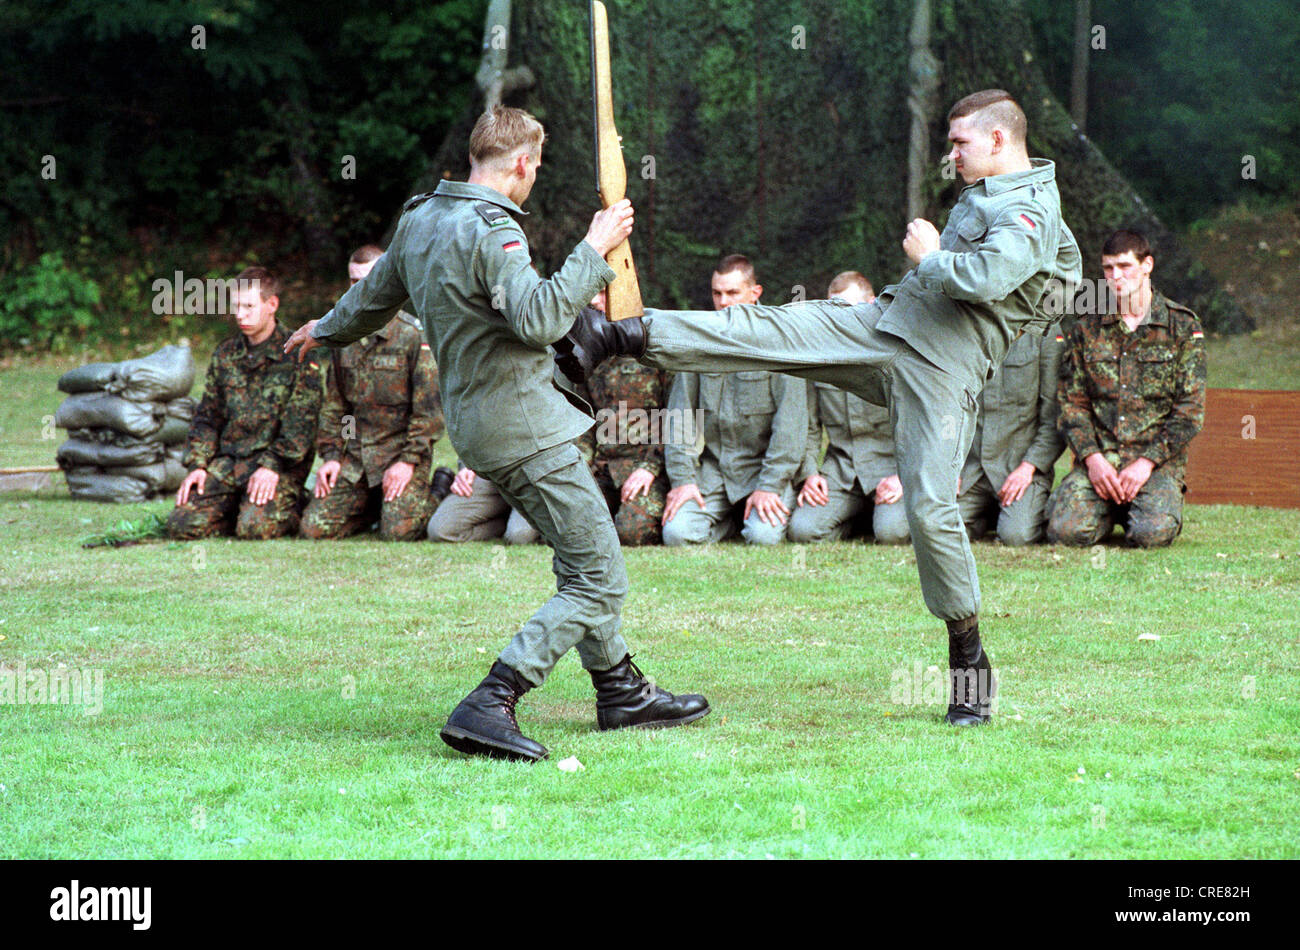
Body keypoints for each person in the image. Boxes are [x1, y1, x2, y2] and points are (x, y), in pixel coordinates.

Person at [557, 89, 1082, 726]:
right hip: (887, 325)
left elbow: (988, 280)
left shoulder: (1033, 205)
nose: (952, 154)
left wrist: (933, 255)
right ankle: (622, 333)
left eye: (960, 143)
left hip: (943, 368)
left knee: (930, 506)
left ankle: (968, 656)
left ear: (999, 140)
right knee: (774, 331)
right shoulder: (991, 191)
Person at [285, 106, 708, 761]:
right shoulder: (491, 231)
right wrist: (593, 250)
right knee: (598, 576)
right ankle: (493, 698)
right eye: (535, 167)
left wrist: (323, 326)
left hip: (479, 431)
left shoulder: (421, 216)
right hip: (528, 430)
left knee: (579, 554)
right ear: (520, 163)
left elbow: (373, 299)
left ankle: (620, 688)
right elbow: (539, 319)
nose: (534, 178)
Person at [1047, 229, 1206, 548]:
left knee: (1151, 535)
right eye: (1107, 268)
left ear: (1147, 265)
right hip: (1100, 464)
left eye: (1124, 266)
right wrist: (1092, 459)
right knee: (1065, 532)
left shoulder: (1182, 327)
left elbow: (1190, 412)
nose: (1115, 276)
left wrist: (1146, 463)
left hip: (1154, 465)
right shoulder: (1086, 328)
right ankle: (1102, 510)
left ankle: (1141, 510)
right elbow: (1071, 405)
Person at [300, 245, 447, 541]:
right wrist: (331, 455)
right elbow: (337, 406)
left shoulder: (412, 336)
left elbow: (429, 413)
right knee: (313, 528)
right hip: (357, 460)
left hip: (402, 456)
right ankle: (370, 507)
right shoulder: (343, 335)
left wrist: (408, 461)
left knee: (399, 532)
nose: (360, 288)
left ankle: (438, 490)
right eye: (354, 281)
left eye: (368, 279)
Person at [661, 255, 808, 546]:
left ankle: (748, 519)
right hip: (714, 473)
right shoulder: (699, 342)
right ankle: (729, 520)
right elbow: (680, 420)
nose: (724, 302)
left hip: (763, 471)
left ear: (756, 293)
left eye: (732, 293)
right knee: (677, 534)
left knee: (763, 537)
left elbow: (791, 429)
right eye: (717, 293)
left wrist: (770, 486)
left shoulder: (782, 343)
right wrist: (684, 481)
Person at [169, 266, 322, 540]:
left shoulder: (297, 355)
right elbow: (207, 417)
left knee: (254, 528)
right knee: (182, 523)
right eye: (236, 306)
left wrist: (272, 465)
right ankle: (236, 508)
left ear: (271, 304)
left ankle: (293, 505)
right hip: (230, 464)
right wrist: (198, 466)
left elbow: (301, 426)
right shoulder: (226, 355)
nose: (240, 314)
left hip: (275, 467)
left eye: (249, 306)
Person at [790, 274, 910, 546]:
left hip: (891, 470)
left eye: (849, 309)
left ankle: (880, 517)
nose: (840, 319)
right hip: (842, 473)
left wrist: (906, 477)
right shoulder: (818, 358)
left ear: (872, 304)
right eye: (833, 310)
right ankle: (856, 516)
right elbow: (809, 427)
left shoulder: (897, 353)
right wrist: (810, 474)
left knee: (891, 533)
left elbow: (922, 424)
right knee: (802, 531)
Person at [578, 289, 674, 546]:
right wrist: (580, 468)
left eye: (603, 293)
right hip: (604, 466)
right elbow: (584, 420)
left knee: (631, 532)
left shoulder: (657, 343)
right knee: (572, 527)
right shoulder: (591, 348)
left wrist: (650, 467)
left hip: (648, 468)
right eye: (592, 295)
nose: (594, 301)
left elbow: (677, 417)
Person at [957, 321, 1066, 546]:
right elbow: (948, 407)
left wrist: (1030, 467)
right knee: (938, 528)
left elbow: (1055, 416)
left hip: (1019, 466)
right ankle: (985, 516)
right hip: (971, 469)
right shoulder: (965, 325)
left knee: (1017, 536)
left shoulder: (1046, 331)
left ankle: (1014, 513)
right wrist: (948, 466)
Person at [426, 464, 542, 545]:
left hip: (531, 474)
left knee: (519, 536)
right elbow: (467, 431)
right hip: (489, 470)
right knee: (441, 530)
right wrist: (468, 463)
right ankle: (504, 517)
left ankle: (515, 522)